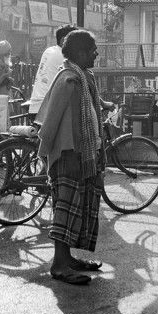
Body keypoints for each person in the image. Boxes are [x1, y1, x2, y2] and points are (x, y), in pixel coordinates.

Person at [35, 30, 106, 286]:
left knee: (77, 208)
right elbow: (50, 122)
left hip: (82, 154)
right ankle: (59, 265)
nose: (96, 53)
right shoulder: (68, 79)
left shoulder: (83, 78)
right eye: (92, 49)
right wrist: (44, 156)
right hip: (68, 155)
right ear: (79, 53)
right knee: (65, 210)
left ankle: (68, 258)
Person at [28, 25, 77, 115]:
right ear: (63, 41)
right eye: (76, 41)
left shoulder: (49, 51)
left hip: (35, 106)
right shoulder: (64, 56)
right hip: (48, 109)